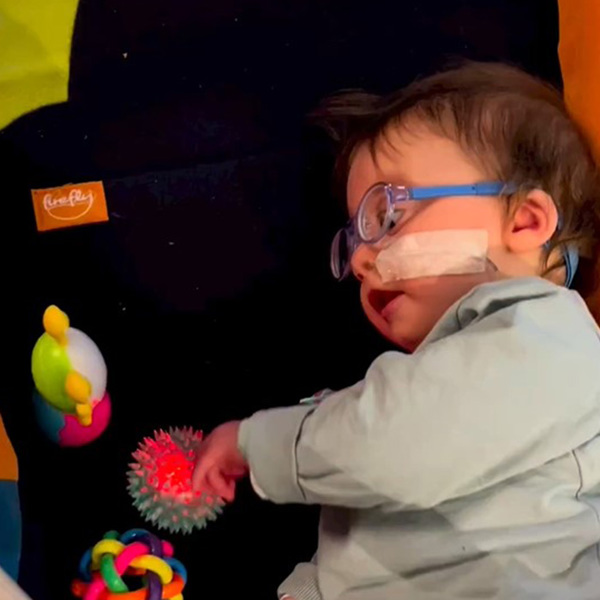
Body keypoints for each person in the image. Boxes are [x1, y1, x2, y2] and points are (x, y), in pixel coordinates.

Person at [193, 62, 600, 599]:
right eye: (353, 239)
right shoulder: (457, 377)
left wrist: (262, 440)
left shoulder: (547, 337)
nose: (361, 261)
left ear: (524, 222)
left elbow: (388, 447)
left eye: (386, 215)